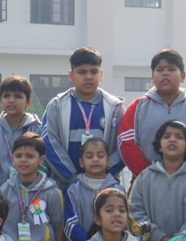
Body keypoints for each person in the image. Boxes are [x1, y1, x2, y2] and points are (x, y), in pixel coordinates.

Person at [41, 47, 125, 183]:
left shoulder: (115, 107)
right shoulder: (57, 105)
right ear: (71, 75)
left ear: (101, 74)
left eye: (94, 72)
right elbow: (48, 143)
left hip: (105, 184)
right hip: (66, 185)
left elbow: (123, 147)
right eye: (82, 72)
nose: (88, 77)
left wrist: (102, 176)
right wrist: (71, 177)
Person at [118, 48, 186, 177]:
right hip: (146, 181)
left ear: (183, 76)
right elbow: (127, 145)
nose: (165, 73)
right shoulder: (138, 107)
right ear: (152, 76)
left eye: (171, 69)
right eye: (159, 70)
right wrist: (148, 176)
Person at [0, 75, 41, 189]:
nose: (11, 100)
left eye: (18, 96)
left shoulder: (38, 129)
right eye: (6, 96)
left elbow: (44, 163)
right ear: (0, 101)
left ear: (28, 102)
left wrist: (33, 187)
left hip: (32, 191)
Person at [62, 137, 121, 241]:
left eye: (100, 156)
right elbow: (70, 222)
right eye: (89, 156)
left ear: (108, 161)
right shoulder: (73, 190)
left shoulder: (117, 189)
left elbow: (122, 221)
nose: (95, 160)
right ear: (81, 162)